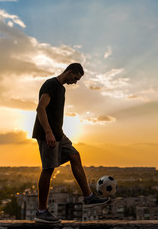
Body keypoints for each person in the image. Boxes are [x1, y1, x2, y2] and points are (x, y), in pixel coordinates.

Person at [32, 63, 110, 223]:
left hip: (59, 134)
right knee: (48, 169)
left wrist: (55, 133)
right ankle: (41, 211)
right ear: (69, 72)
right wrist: (48, 133)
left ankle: (88, 196)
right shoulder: (51, 84)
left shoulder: (61, 88)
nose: (75, 82)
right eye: (75, 78)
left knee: (75, 155)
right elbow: (40, 108)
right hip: (48, 134)